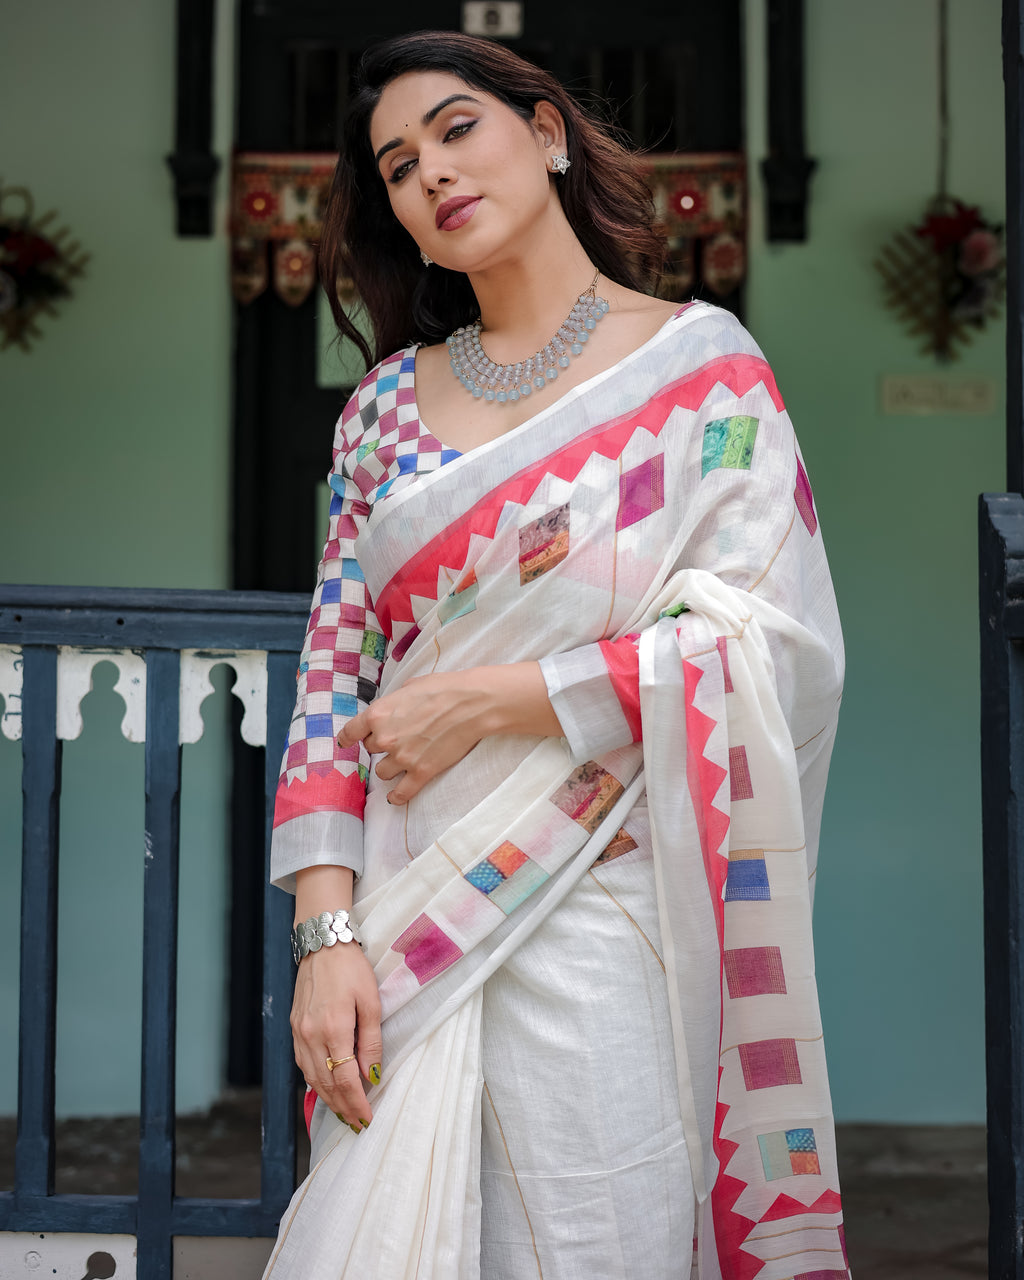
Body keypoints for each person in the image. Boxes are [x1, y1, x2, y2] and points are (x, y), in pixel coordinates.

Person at [262, 30, 848, 1280]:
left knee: (596, 1231)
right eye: (397, 166)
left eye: (456, 128)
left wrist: (492, 698)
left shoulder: (704, 374)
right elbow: (328, 681)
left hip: (606, 892)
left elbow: (766, 642)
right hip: (405, 912)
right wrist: (326, 941)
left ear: (545, 131)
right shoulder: (382, 414)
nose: (431, 173)